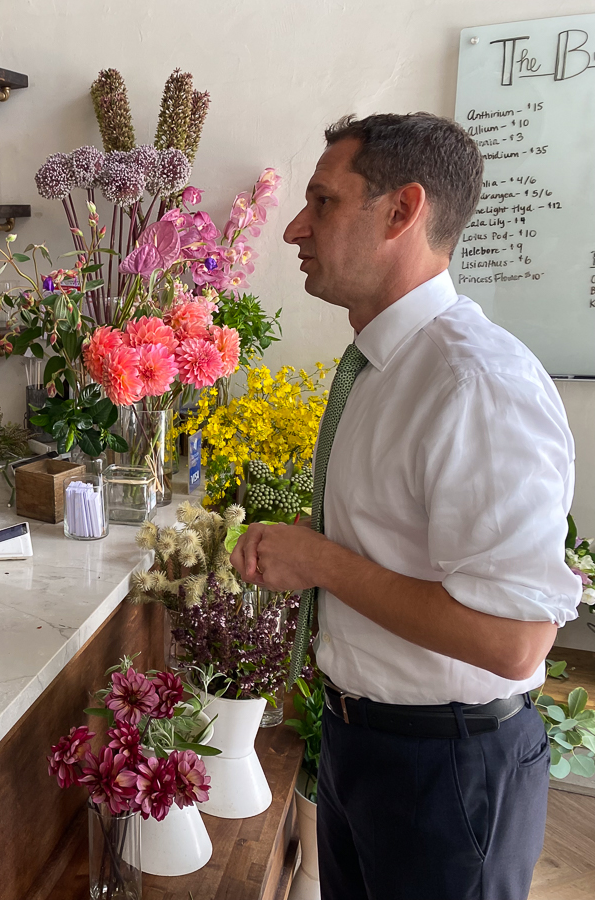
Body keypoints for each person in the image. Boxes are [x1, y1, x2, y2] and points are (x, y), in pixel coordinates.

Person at [230, 113, 579, 899]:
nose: (293, 228)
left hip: (446, 769)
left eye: (321, 202)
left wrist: (318, 561)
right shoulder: (380, 365)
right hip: (365, 743)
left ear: (401, 211)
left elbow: (516, 643)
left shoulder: (474, 383)